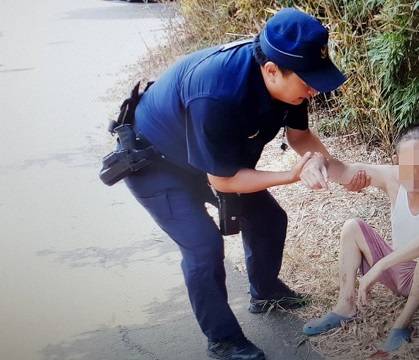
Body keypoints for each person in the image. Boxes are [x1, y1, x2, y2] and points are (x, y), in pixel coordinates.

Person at [122, 8, 367, 360]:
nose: (314, 89)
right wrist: (293, 174)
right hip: (156, 162)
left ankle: (264, 292)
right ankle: (223, 341)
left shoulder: (290, 83)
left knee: (268, 218)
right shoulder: (217, 93)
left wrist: (342, 174)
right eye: (308, 80)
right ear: (271, 70)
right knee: (203, 248)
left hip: (209, 155)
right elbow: (222, 179)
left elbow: (300, 137)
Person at [302, 124, 419, 355]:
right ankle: (345, 306)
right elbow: (344, 170)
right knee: (352, 227)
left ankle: (402, 324)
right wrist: (318, 161)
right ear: (396, 160)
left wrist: (381, 265)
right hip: (401, 270)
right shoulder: (392, 177)